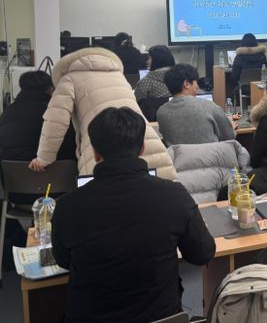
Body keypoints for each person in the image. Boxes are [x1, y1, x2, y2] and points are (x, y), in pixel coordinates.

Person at [51, 107, 215, 322]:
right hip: (162, 317)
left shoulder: (66, 206)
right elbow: (202, 254)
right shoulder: (174, 196)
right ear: (142, 148)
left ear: (96, 152)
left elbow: (63, 261)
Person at [27, 47, 176, 179]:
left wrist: (44, 158)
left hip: (103, 151)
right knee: (157, 194)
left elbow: (56, 121)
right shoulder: (118, 75)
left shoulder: (69, 79)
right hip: (144, 142)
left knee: (107, 198)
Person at [0, 71, 76, 162]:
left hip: (11, 168)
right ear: (50, 90)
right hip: (53, 167)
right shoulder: (55, 111)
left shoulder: (7, 112)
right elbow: (72, 144)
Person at [157, 64, 237, 145]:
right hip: (210, 153)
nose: (197, 87)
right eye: (195, 82)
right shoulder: (210, 107)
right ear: (186, 84)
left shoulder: (161, 112)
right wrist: (231, 128)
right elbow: (229, 137)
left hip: (179, 153)